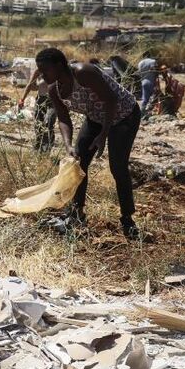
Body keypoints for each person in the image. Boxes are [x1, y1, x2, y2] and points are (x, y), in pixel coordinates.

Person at [35, 47, 142, 239]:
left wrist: (104, 134)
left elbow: (111, 99)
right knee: (78, 162)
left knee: (117, 167)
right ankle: (77, 213)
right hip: (95, 118)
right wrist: (68, 146)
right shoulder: (54, 89)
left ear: (59, 65)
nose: (42, 75)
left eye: (45, 71)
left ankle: (128, 219)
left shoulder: (84, 72)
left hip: (124, 115)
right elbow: (63, 119)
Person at [18, 67, 56, 152]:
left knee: (48, 121)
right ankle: (38, 145)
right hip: (40, 99)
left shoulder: (57, 69)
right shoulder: (38, 70)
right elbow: (30, 85)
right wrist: (22, 99)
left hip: (54, 101)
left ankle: (47, 147)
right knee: (38, 123)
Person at [137, 51, 159, 117]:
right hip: (151, 82)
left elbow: (139, 73)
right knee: (153, 98)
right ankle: (147, 112)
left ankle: (142, 113)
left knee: (145, 98)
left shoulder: (140, 63)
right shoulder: (152, 61)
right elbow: (154, 70)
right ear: (149, 55)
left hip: (143, 82)